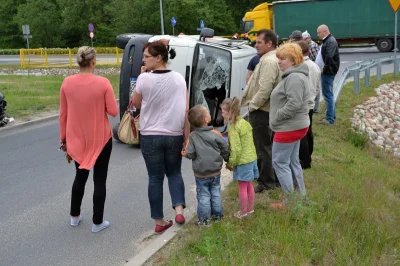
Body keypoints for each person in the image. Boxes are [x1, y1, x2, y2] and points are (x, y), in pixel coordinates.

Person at [130, 40, 190, 233]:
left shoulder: (144, 78)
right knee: (174, 172)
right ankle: (179, 210)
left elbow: (135, 103)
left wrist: (141, 77)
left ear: (158, 57)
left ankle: (159, 221)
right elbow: (186, 110)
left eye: (146, 56)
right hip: (174, 133)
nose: (143, 60)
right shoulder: (179, 79)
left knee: (155, 177)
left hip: (150, 135)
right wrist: (187, 136)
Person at [59, 46, 119, 232]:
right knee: (99, 180)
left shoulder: (67, 83)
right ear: (93, 61)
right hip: (100, 138)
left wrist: (63, 139)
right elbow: (113, 111)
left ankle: (74, 216)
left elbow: (63, 114)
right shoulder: (103, 83)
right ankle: (97, 222)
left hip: (76, 139)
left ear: (79, 61)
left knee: (80, 176)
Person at [269, 42, 311, 208]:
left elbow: (294, 104)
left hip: (288, 128)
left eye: (282, 59)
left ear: (293, 60)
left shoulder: (293, 77)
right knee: (293, 161)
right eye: (278, 58)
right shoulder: (296, 74)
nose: (279, 61)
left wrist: (277, 117)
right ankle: (300, 197)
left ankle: (291, 202)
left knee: (280, 163)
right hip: (296, 126)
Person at [241, 29, 282, 193]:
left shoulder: (269, 61)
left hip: (262, 111)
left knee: (263, 148)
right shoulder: (269, 58)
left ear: (269, 43)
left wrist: (252, 106)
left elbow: (264, 89)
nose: (255, 45)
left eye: (259, 42)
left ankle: (266, 182)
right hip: (267, 110)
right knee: (269, 146)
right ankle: (273, 179)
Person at [182, 105, 229, 226]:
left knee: (203, 195)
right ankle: (218, 215)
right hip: (215, 171)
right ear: (205, 119)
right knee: (216, 192)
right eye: (207, 112)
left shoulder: (192, 136)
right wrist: (228, 159)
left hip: (201, 173)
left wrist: (185, 153)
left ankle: (204, 220)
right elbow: (224, 148)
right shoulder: (216, 134)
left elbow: (191, 154)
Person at [222, 97, 258, 218]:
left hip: (243, 162)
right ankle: (250, 209)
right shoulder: (245, 123)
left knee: (242, 187)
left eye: (223, 111)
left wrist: (231, 163)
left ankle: (243, 212)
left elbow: (236, 150)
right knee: (249, 185)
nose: (221, 114)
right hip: (251, 158)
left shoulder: (233, 128)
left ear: (230, 112)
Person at [297, 41, 321, 169]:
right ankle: (308, 157)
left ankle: (304, 160)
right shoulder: (315, 66)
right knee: (308, 131)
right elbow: (317, 88)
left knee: (302, 134)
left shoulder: (301, 67)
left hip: (302, 104)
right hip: (310, 103)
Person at [316, 24, 340, 125]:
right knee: (329, 94)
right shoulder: (329, 40)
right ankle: (331, 116)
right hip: (329, 70)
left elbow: (329, 57)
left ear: (325, 31)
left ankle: (329, 119)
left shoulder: (330, 41)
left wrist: (324, 70)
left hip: (328, 71)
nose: (318, 35)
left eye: (319, 33)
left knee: (327, 95)